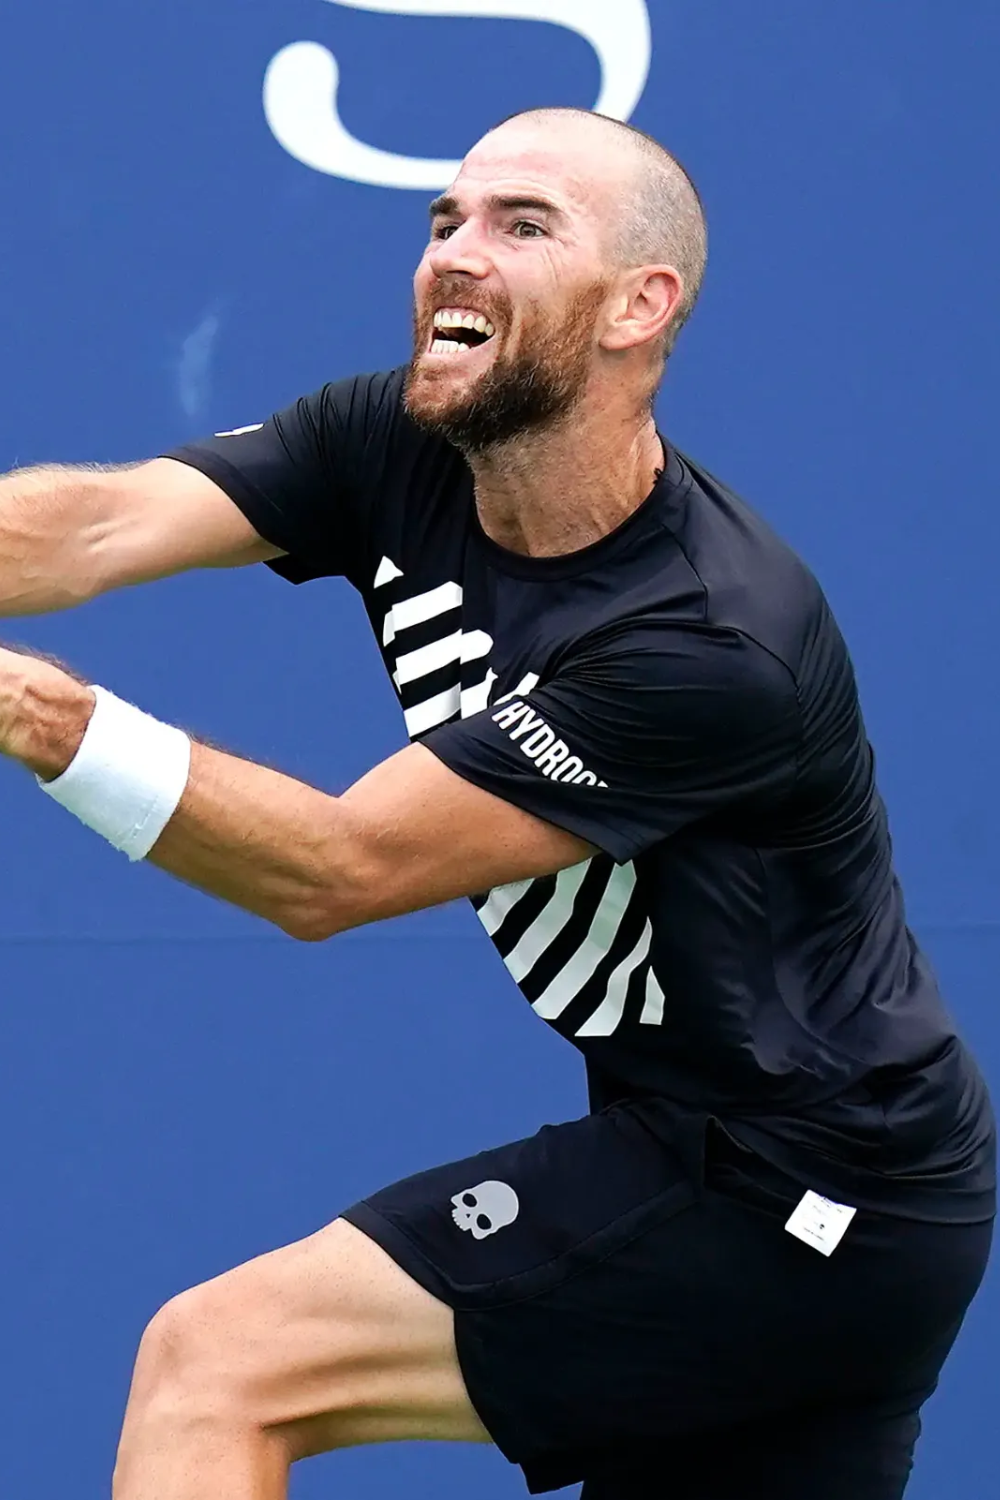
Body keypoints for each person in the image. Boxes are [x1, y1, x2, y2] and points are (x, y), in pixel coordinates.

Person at [0, 107, 993, 1500]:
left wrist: (41, 717)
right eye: (444, 222)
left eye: (524, 227)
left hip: (791, 1197)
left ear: (639, 308)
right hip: (803, 1185)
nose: (456, 255)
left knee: (218, 1366)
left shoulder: (707, 645)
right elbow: (95, 526)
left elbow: (332, 872)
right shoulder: (397, 441)